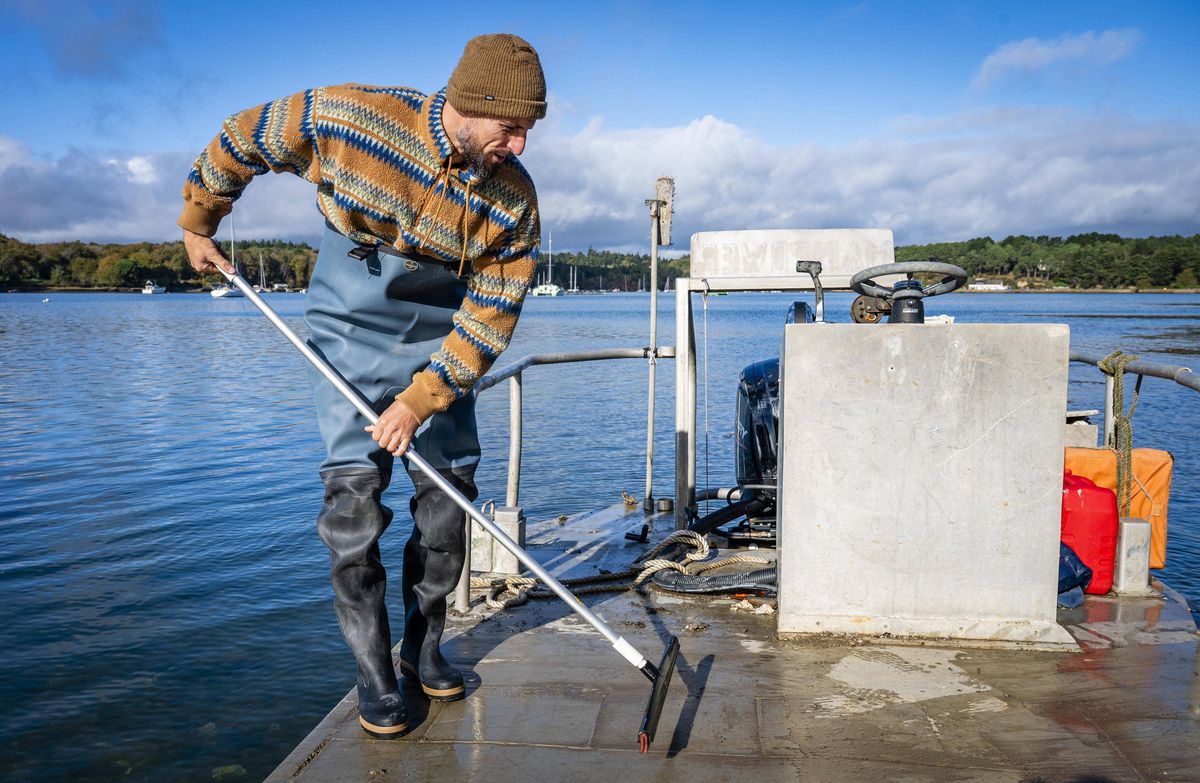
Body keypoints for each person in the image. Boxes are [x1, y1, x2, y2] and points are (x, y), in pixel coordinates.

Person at [178, 34, 546, 738]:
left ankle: (422, 649)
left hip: (442, 346)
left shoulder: (514, 203)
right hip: (349, 328)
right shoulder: (353, 119)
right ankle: (374, 671)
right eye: (511, 127)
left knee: (447, 503)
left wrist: (419, 400)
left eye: (529, 130)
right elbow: (243, 136)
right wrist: (200, 218)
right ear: (471, 107)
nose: (520, 145)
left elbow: (492, 316)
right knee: (354, 512)